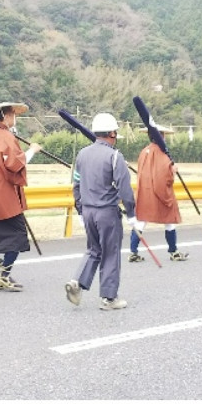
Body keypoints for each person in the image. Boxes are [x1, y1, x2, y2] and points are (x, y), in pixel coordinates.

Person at [64, 113, 135, 311]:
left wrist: (79, 209)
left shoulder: (82, 154)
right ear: (112, 133)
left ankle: (77, 282)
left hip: (87, 211)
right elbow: (125, 190)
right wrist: (132, 214)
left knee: (93, 250)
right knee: (110, 253)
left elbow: (76, 185)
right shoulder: (115, 156)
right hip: (107, 213)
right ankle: (109, 298)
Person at [0, 102, 39, 291]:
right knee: (18, 235)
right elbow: (14, 164)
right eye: (13, 114)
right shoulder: (5, 137)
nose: (14, 118)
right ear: (7, 116)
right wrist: (32, 151)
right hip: (2, 194)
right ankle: (4, 274)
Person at [132, 125, 187, 261]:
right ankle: (173, 251)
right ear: (161, 137)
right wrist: (172, 170)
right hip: (158, 193)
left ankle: (133, 252)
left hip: (144, 192)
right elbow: (163, 177)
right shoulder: (162, 154)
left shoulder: (144, 151)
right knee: (170, 221)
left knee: (141, 222)